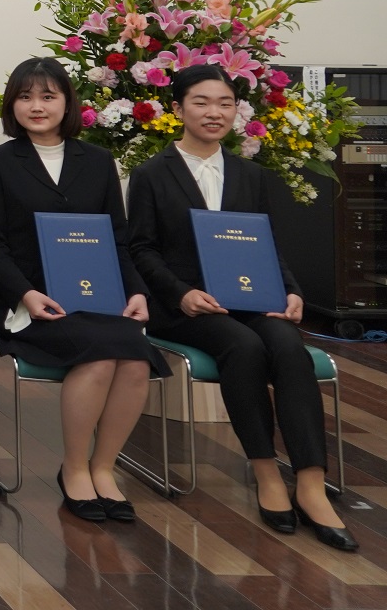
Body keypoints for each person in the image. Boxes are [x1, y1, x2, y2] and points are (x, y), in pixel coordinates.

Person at [128, 64, 355, 551]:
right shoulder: (151, 174)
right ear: (178, 109)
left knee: (289, 348)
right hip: (186, 305)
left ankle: (312, 484)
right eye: (202, 103)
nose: (214, 113)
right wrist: (179, 293)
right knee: (243, 348)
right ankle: (267, 473)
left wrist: (290, 291)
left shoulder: (251, 174)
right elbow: (140, 249)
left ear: (237, 112)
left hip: (250, 297)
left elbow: (266, 241)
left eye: (225, 104)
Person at [0, 57, 168, 525]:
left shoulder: (98, 161)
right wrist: (24, 294)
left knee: (136, 357)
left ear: (67, 102)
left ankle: (104, 468)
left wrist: (136, 292)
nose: (36, 106)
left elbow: (117, 239)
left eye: (48, 96)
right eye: (25, 96)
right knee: (101, 354)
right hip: (33, 305)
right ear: (12, 105)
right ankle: (75, 468)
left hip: (97, 298)